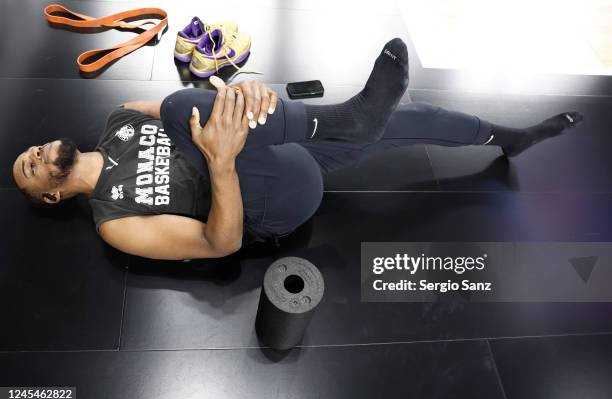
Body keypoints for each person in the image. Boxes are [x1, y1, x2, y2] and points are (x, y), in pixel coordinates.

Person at [12, 38, 583, 260]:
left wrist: (239, 99)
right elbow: (220, 242)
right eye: (29, 170)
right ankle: (347, 120)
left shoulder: (119, 119)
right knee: (182, 110)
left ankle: (509, 137)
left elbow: (195, 106)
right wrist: (222, 159)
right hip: (269, 200)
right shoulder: (114, 221)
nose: (35, 154)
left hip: (275, 148)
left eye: (30, 150)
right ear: (54, 197)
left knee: (408, 120)